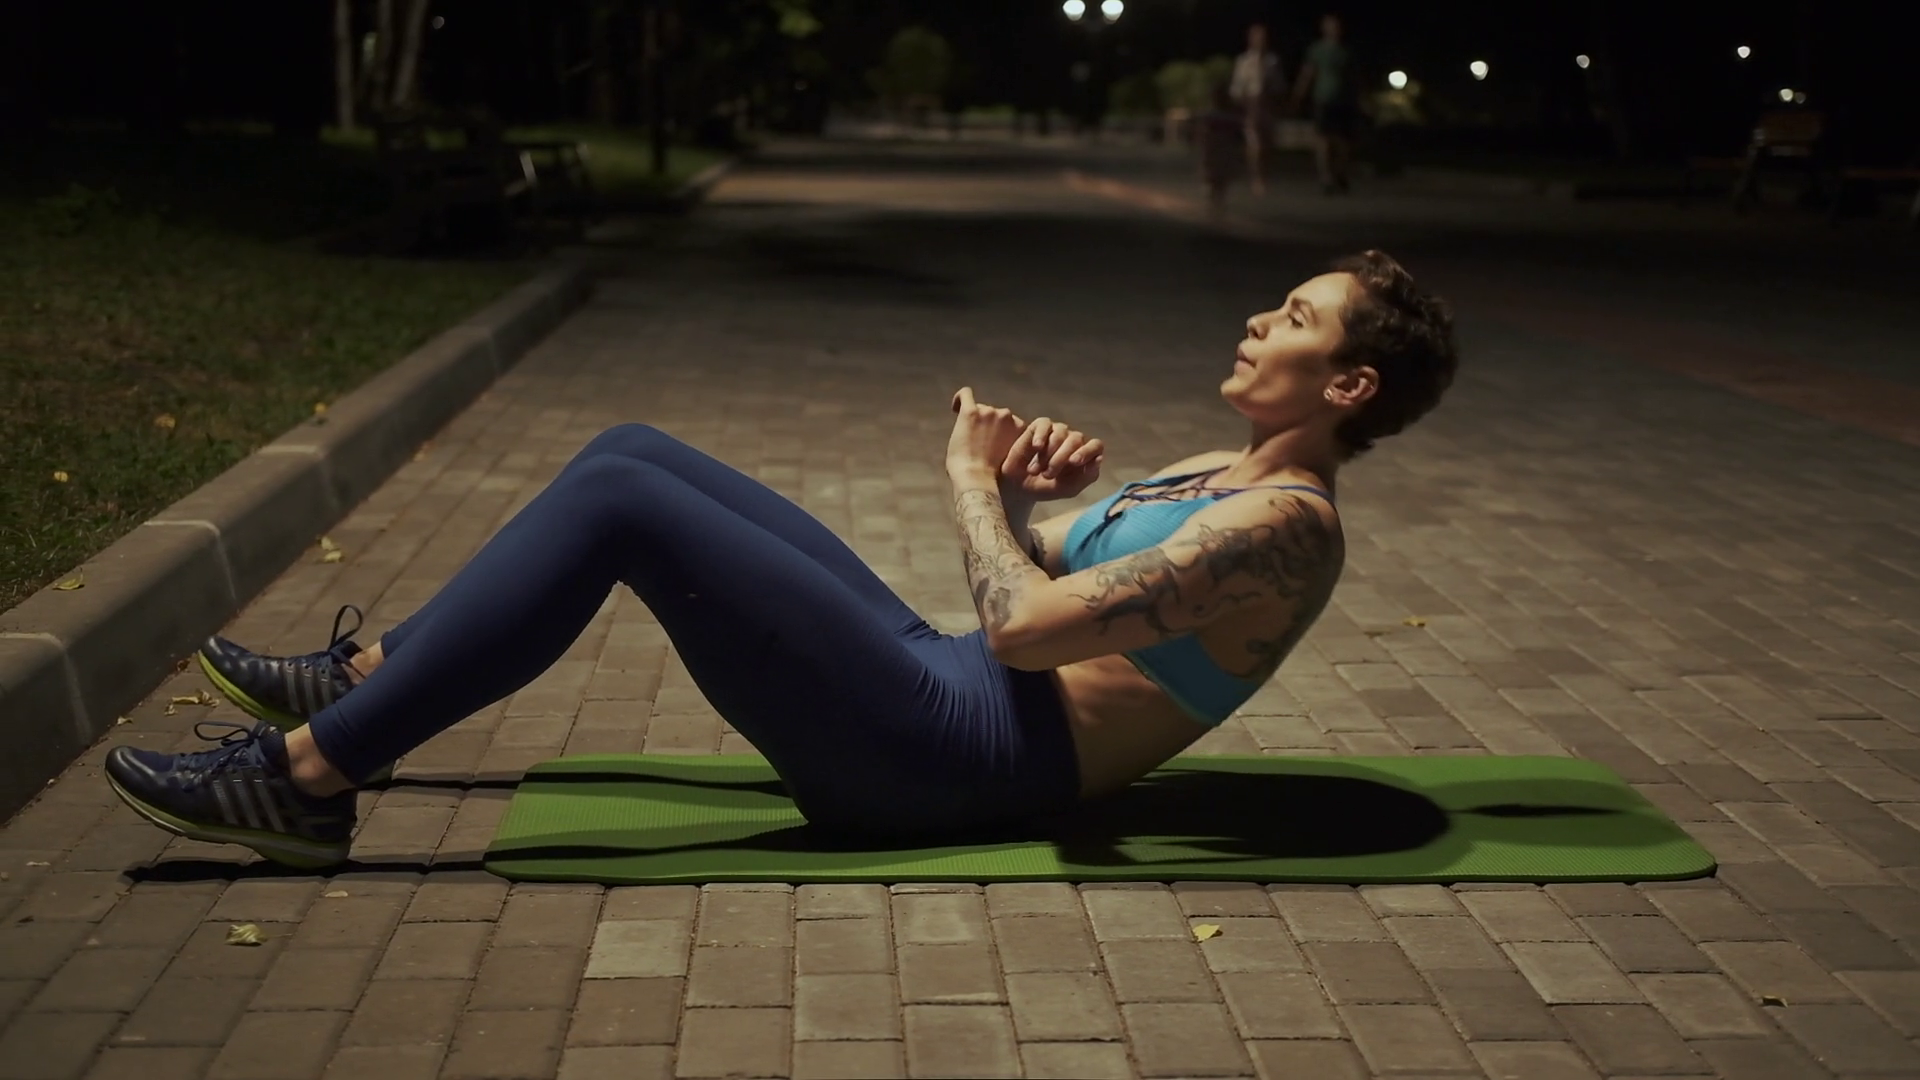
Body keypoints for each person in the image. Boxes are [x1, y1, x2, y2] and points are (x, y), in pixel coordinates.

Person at [102, 251, 1460, 869]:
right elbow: (1055, 579)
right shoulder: (1221, 476)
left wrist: (968, 485)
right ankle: (371, 680)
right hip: (954, 692)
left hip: (955, 759)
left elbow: (1023, 631)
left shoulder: (1286, 528)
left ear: (1347, 386)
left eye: (1294, 317)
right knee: (633, 452)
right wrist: (1026, 499)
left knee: (621, 510)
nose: (1257, 319)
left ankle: (310, 778)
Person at [1292, 12, 1360, 194]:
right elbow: (1308, 73)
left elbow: (1354, 77)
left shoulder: (1345, 51)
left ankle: (1340, 173)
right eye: (1331, 26)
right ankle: (1326, 177)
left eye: (1337, 27)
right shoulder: (1317, 50)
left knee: (1343, 142)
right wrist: (1298, 95)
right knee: (1323, 140)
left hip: (1344, 100)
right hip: (1323, 98)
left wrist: (1360, 97)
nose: (1334, 30)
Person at [1227, 22, 1286, 195]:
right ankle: (1256, 178)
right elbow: (1237, 88)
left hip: (1267, 106)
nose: (1260, 40)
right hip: (1251, 106)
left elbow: (1279, 86)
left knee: (1267, 145)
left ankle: (1265, 175)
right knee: (1254, 144)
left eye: (1263, 37)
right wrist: (1243, 103)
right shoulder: (1244, 61)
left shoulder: (1272, 61)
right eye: (1256, 37)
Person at [1196, 83, 1245, 214]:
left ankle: (1219, 201)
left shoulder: (1231, 116)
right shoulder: (1211, 115)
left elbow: (1238, 134)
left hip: (1225, 149)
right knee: (1213, 176)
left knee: (1222, 176)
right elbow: (1203, 133)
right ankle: (1213, 200)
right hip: (1214, 149)